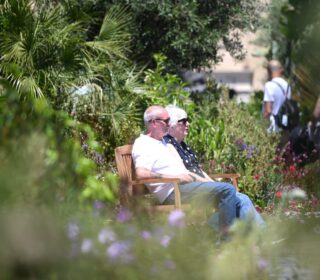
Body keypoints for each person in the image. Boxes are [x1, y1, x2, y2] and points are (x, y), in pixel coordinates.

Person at [132, 105, 237, 235]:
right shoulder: (143, 144)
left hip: (185, 187)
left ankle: (207, 234)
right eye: (166, 121)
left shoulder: (162, 142)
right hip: (173, 191)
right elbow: (141, 173)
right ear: (153, 123)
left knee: (234, 200)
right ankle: (225, 240)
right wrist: (174, 178)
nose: (169, 124)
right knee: (227, 190)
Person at [163, 105, 265, 227]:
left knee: (242, 198)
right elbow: (185, 172)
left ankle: (214, 229)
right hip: (188, 187)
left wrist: (212, 182)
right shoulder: (169, 144)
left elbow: (199, 170)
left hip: (200, 185)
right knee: (240, 200)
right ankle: (255, 235)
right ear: (173, 125)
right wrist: (210, 184)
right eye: (184, 121)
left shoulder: (183, 146)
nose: (188, 124)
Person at [263, 60, 291, 133]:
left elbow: (268, 110)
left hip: (272, 127)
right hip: (284, 125)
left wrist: (262, 127)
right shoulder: (287, 86)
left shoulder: (269, 85)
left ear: (269, 71)